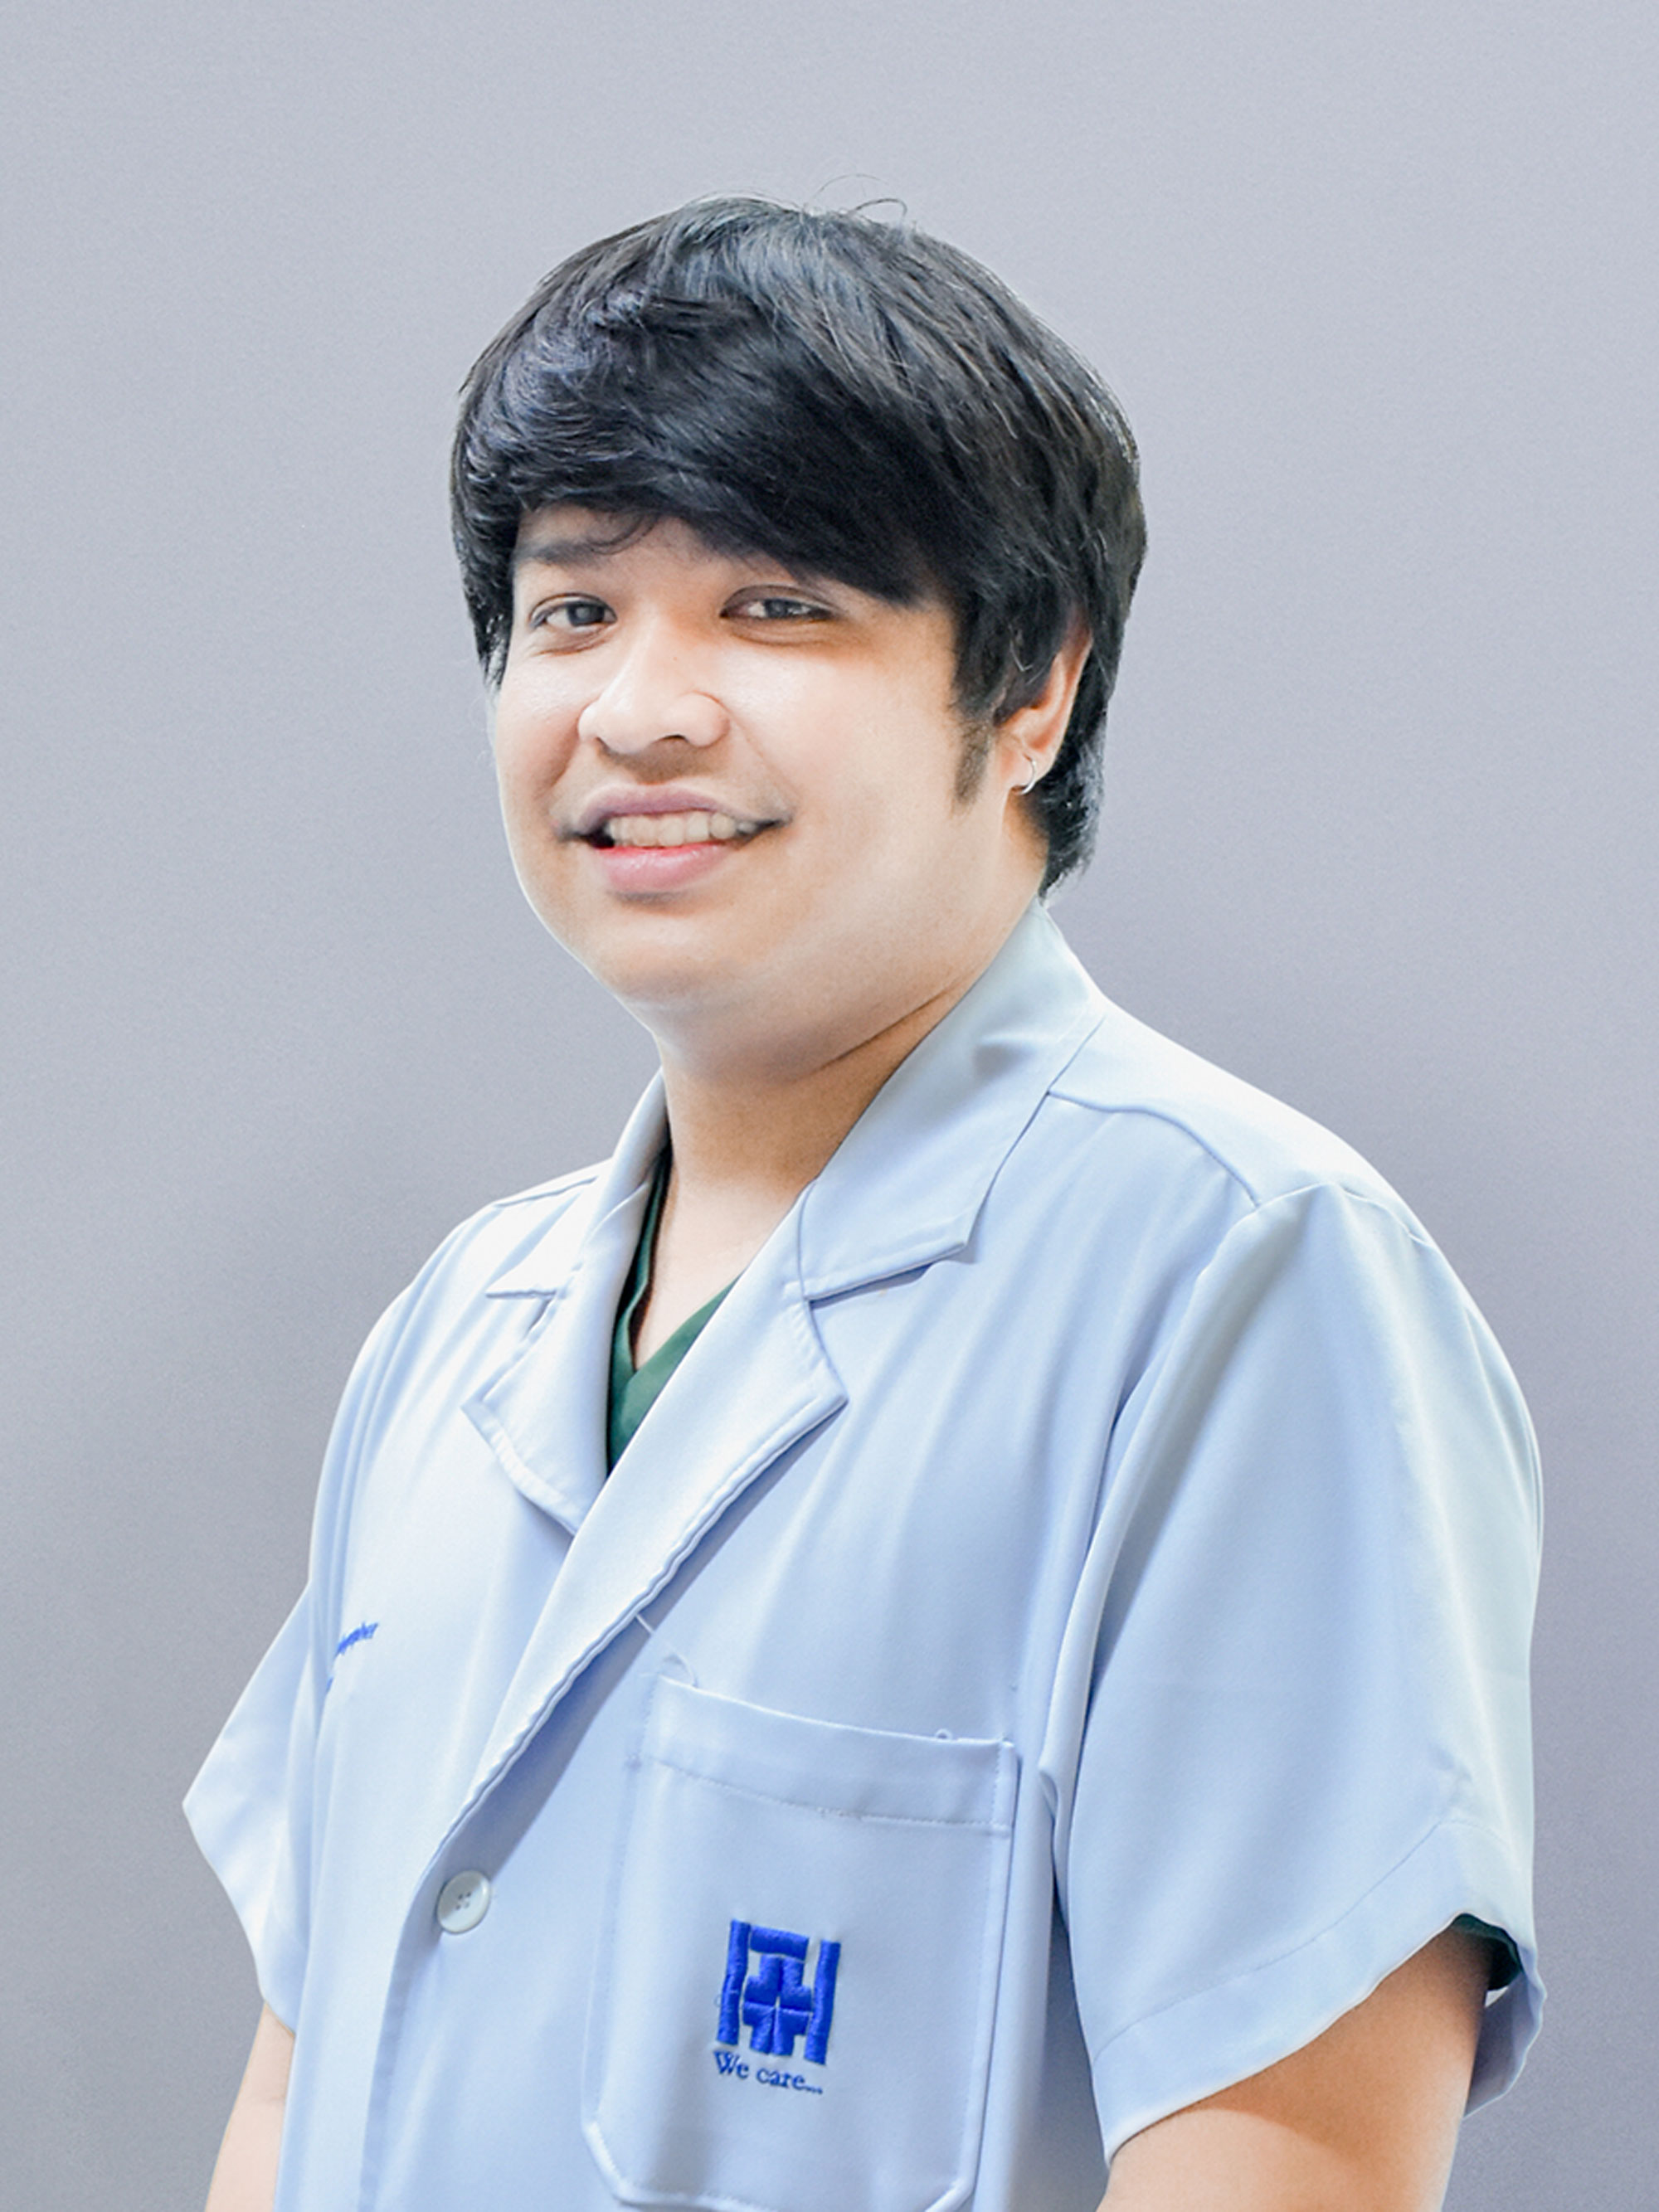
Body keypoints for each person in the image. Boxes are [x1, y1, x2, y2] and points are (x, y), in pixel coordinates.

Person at [188, 197, 1541, 2212]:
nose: (637, 708)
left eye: (771, 604)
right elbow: (300, 2088)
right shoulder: (462, 1319)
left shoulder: (1243, 1280)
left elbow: (1293, 2166)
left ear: (1031, 689)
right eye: (574, 611)